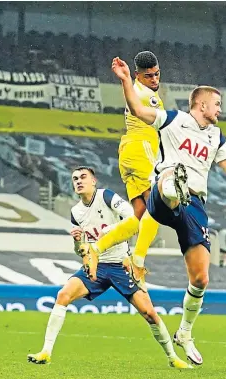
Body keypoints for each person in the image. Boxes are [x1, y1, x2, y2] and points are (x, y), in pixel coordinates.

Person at [110, 56, 226, 366]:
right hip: (164, 196)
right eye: (216, 104)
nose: (220, 109)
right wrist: (125, 79)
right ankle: (171, 186)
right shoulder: (173, 119)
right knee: (169, 180)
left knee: (201, 278)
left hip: (194, 206)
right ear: (201, 105)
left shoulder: (216, 136)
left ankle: (185, 333)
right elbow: (137, 110)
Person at [27, 166, 192, 369]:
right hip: (98, 265)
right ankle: (46, 352)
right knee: (63, 295)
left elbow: (132, 217)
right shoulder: (75, 212)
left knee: (149, 313)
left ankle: (172, 357)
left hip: (121, 264)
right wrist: (78, 242)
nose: (79, 181)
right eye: (75, 178)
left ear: (93, 181)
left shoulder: (106, 196)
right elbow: (82, 251)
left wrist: (110, 230)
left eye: (83, 177)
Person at [79, 51, 163, 286]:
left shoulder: (137, 88)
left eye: (157, 74)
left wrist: (126, 80)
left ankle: (97, 248)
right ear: (139, 75)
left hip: (129, 152)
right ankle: (136, 262)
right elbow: (164, 123)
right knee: (158, 209)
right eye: (149, 76)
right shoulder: (147, 95)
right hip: (142, 149)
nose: (154, 80)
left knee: (138, 216)